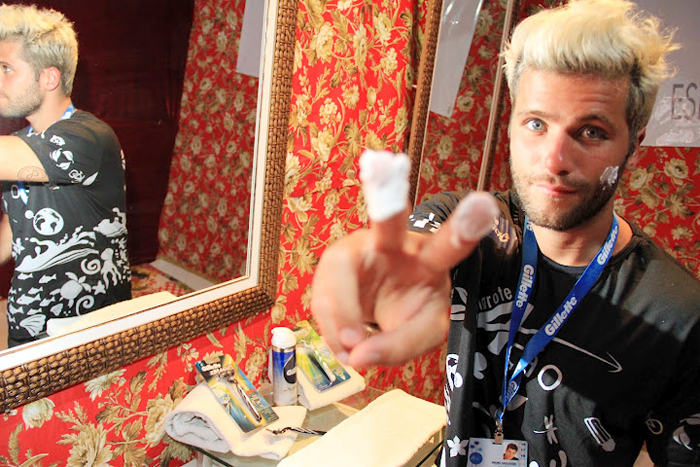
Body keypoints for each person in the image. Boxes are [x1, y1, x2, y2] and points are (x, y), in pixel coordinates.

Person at [310, 0, 700, 465]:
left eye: (591, 132)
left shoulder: (679, 315)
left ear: (633, 143)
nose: (554, 161)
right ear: (512, 126)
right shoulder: (479, 233)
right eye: (536, 124)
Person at [0, 4, 131, 348]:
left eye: (6, 69)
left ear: (49, 77)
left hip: (87, 331)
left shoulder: (89, 137)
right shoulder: (22, 144)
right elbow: (17, 229)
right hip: (29, 323)